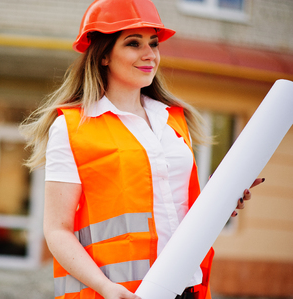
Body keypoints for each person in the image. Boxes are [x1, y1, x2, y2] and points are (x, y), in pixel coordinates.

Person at [20, 0, 263, 298]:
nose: (149, 55)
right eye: (133, 44)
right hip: (119, 293)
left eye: (154, 43)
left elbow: (174, 209)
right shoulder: (72, 127)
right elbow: (57, 230)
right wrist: (106, 288)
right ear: (104, 55)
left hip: (188, 286)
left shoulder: (173, 121)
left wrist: (221, 199)